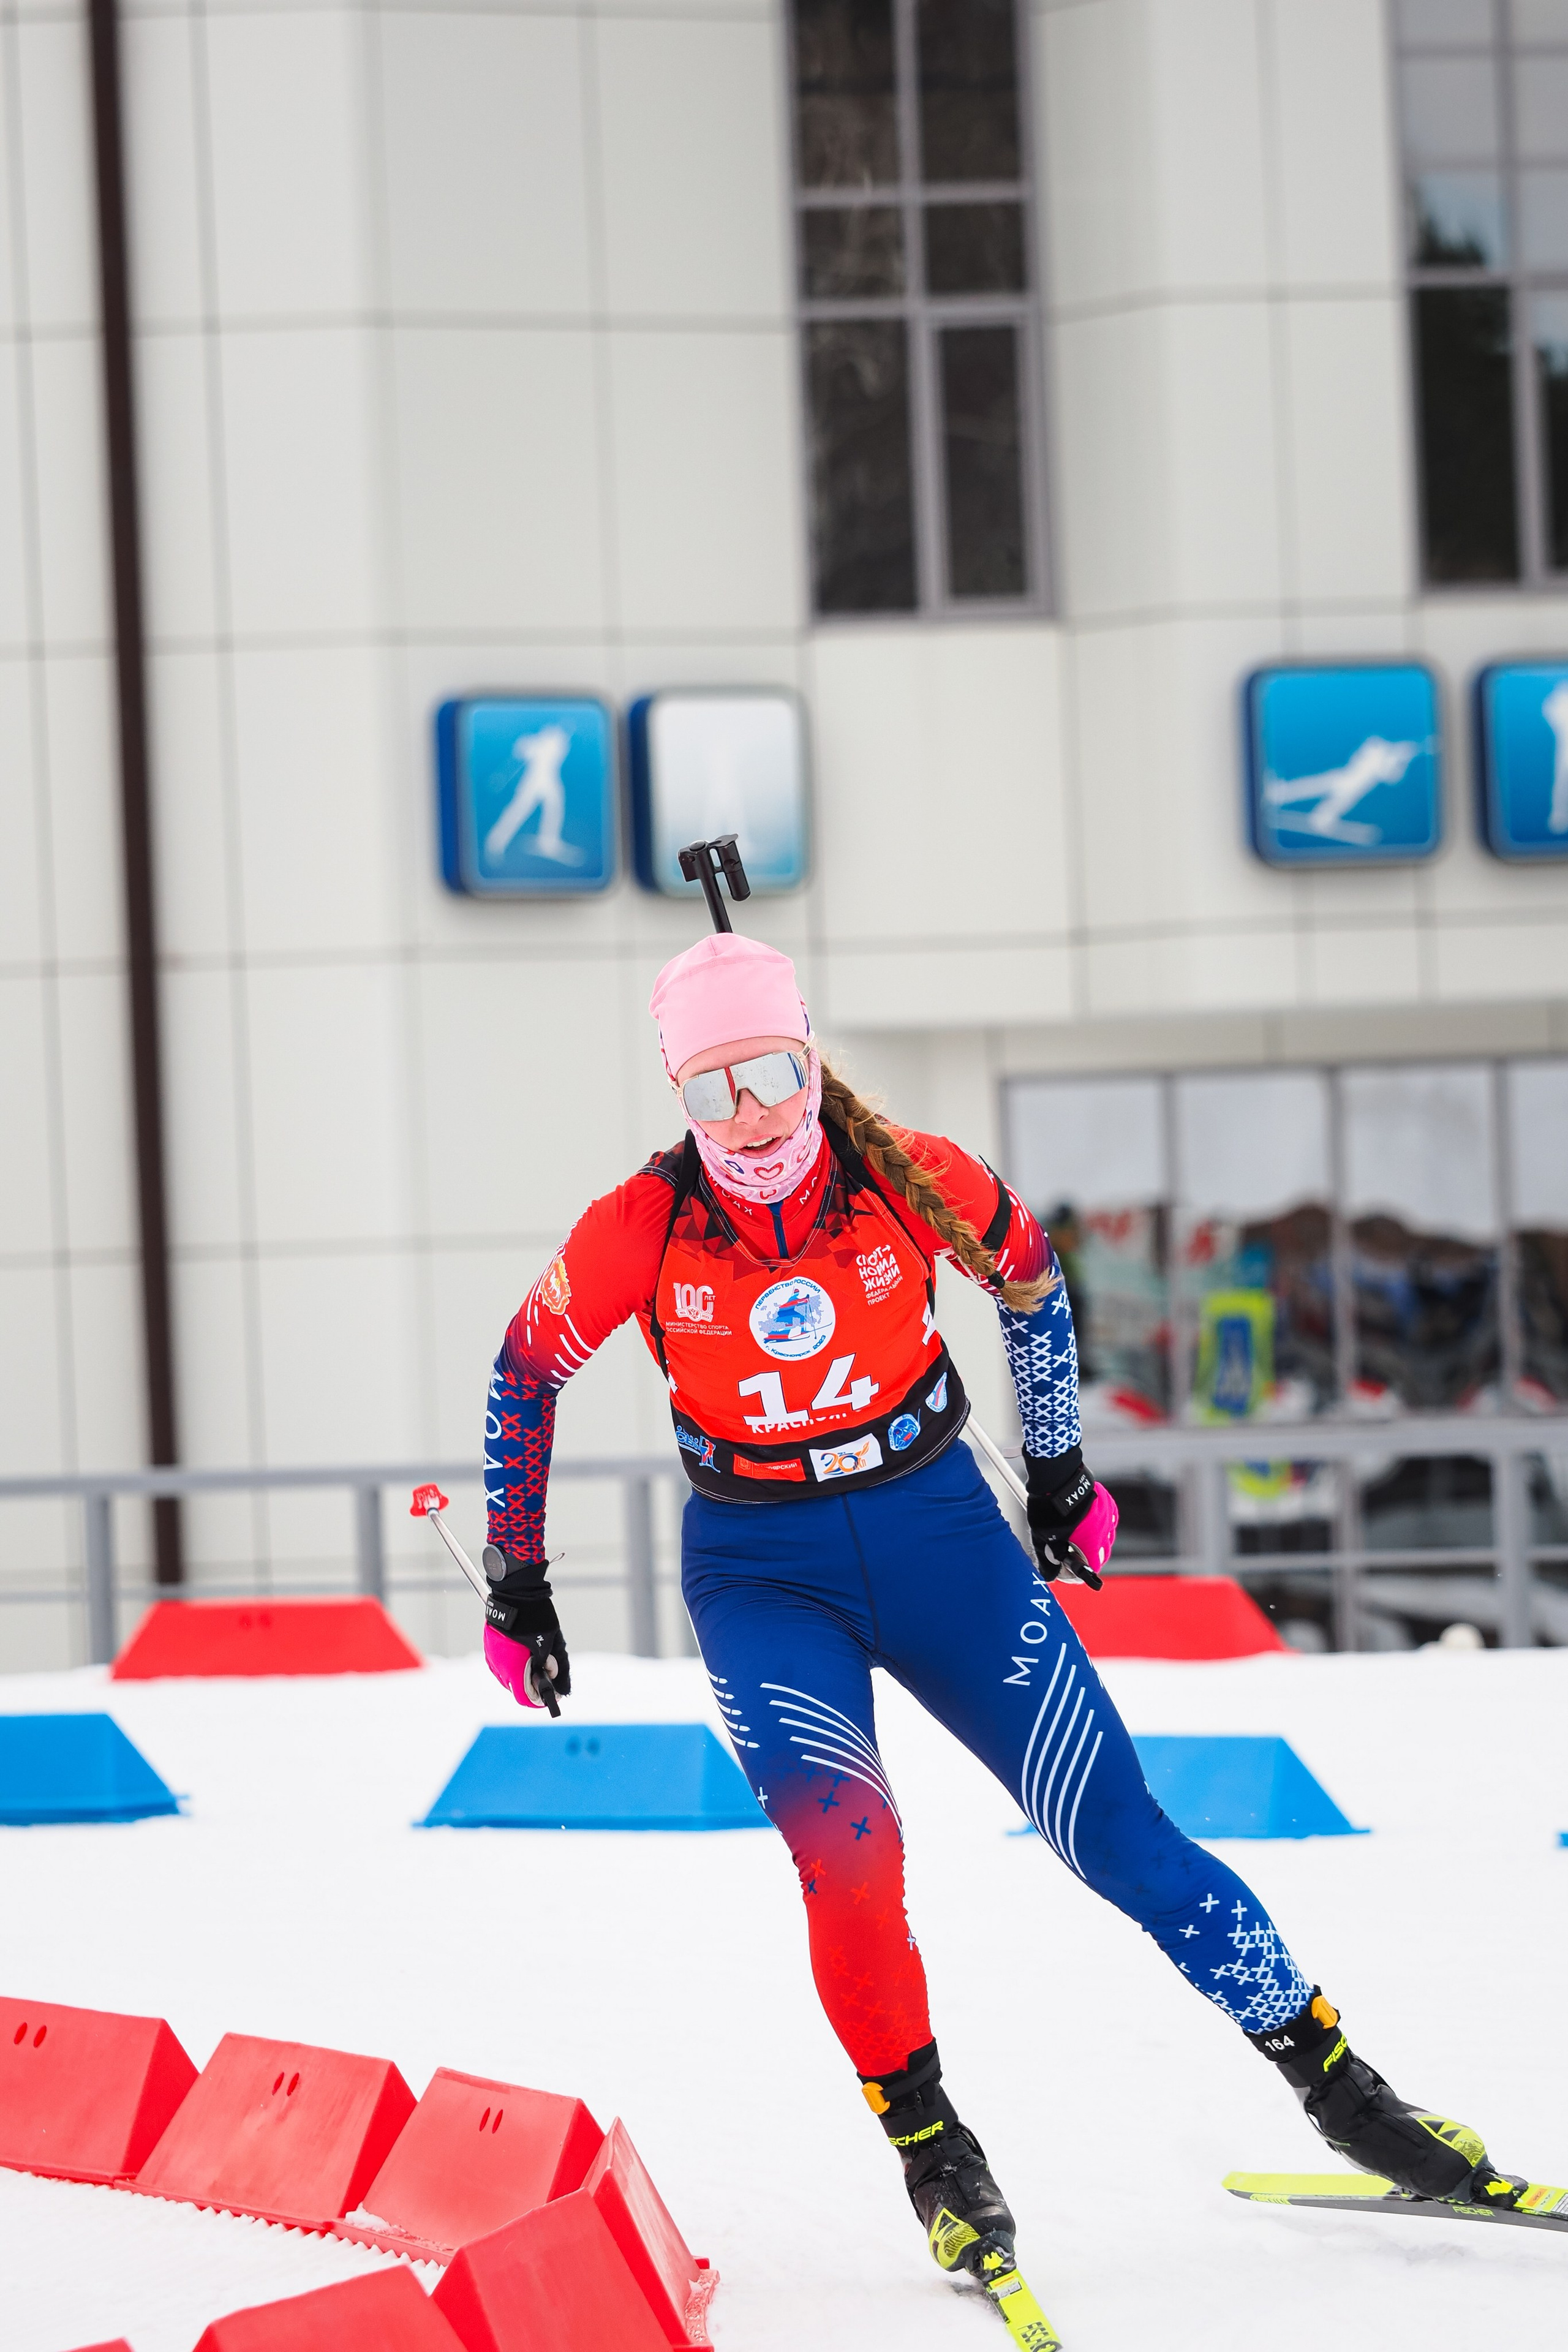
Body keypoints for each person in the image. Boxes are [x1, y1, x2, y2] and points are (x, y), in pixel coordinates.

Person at [479, 930, 1521, 2286]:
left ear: (812, 1060)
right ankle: (937, 2157)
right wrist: (518, 1580)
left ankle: (1345, 2092)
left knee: (1121, 1837)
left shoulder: (908, 1174)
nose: (750, 1118)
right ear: (677, 1094)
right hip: (761, 1575)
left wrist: (1058, 1468)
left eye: (772, 1073)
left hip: (942, 1545)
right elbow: (524, 1376)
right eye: (710, 1090)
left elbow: (1031, 1284)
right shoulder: (643, 1224)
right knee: (850, 1857)